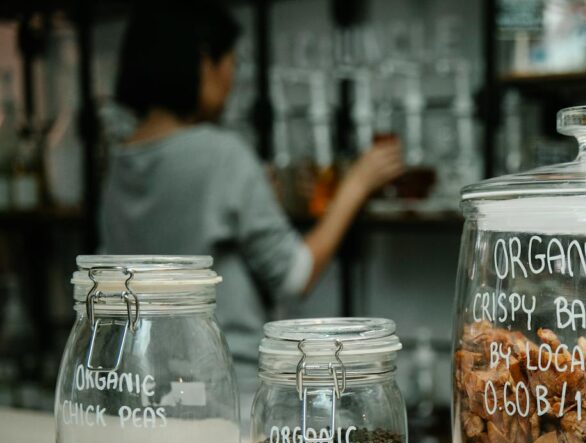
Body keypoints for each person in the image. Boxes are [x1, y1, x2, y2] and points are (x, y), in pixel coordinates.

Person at [100, 1, 404, 400]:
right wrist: (356, 185)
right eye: (231, 62)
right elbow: (296, 275)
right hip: (222, 392)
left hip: (140, 390)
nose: (232, 79)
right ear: (204, 60)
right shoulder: (222, 154)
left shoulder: (118, 162)